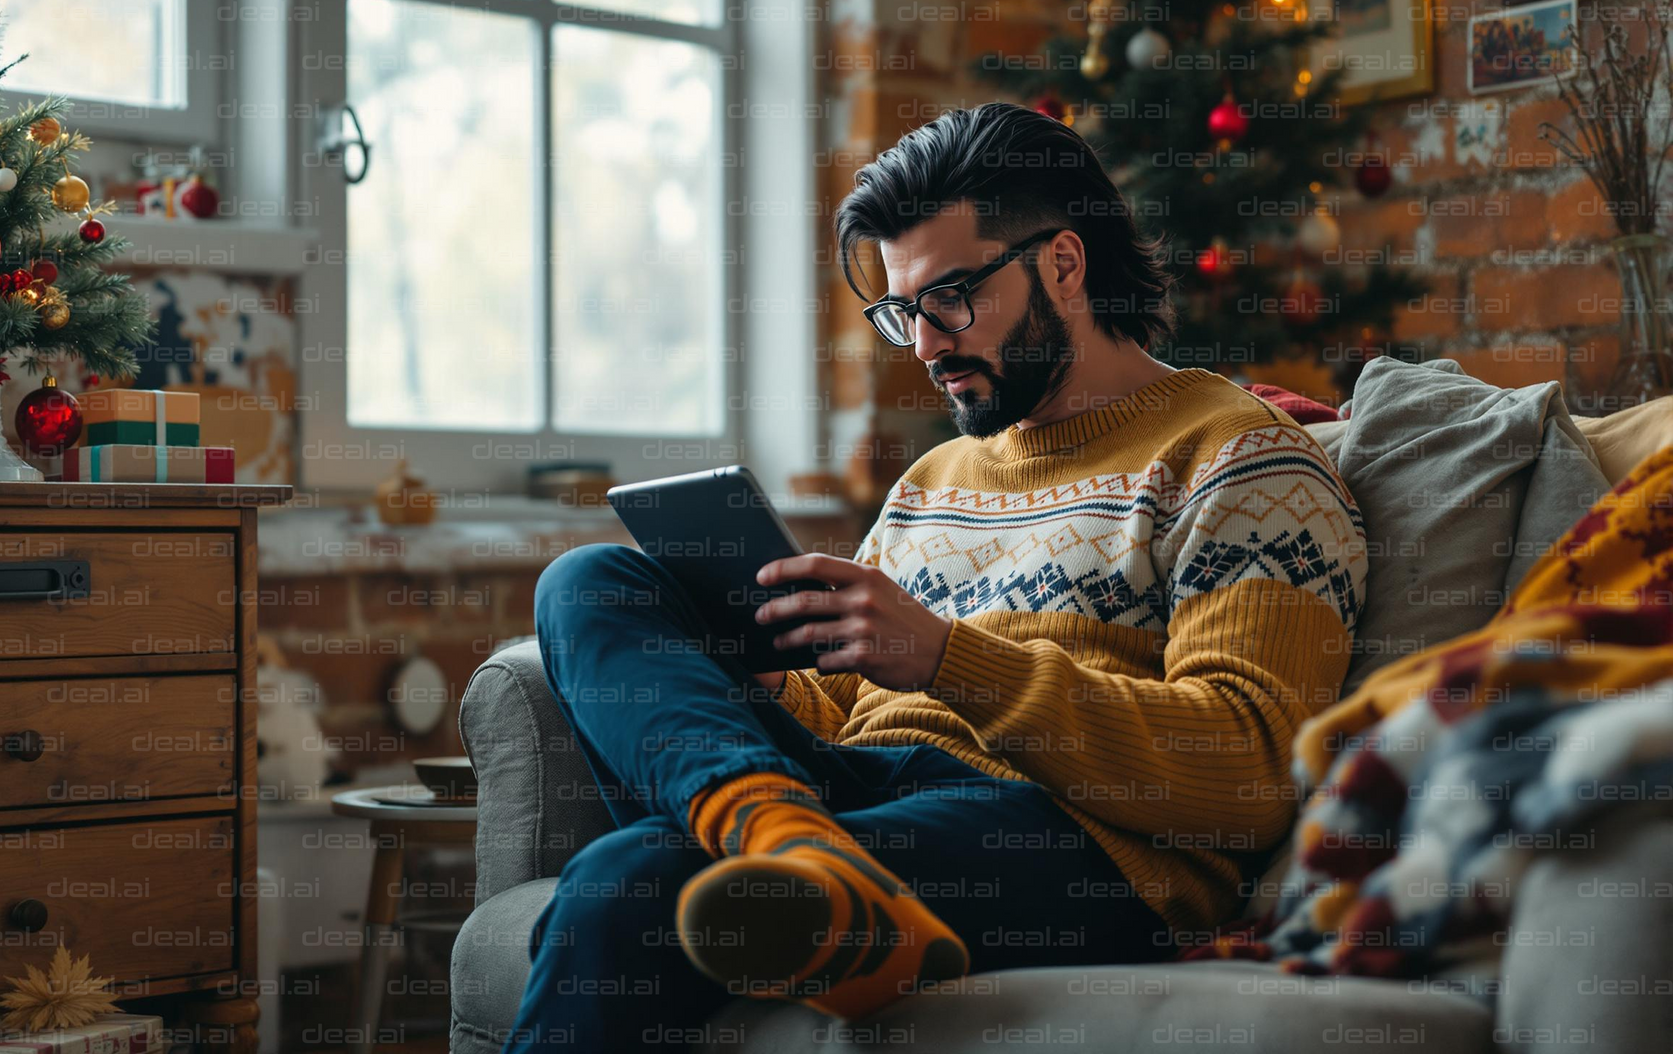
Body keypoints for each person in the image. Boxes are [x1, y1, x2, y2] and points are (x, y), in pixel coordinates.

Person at [499, 102, 1367, 1053]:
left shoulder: (1240, 458)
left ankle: (806, 863)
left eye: (951, 298)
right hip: (859, 796)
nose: (923, 343)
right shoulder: (933, 482)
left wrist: (949, 658)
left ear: (1065, 268)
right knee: (589, 582)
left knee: (631, 881)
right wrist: (754, 688)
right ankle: (794, 847)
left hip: (1077, 844)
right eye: (902, 310)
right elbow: (849, 712)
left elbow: (1248, 774)